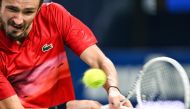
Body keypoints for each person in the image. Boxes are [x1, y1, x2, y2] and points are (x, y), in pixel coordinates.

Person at [0, 0, 133, 109]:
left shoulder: (53, 15)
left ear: (39, 8)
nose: (18, 20)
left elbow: (99, 61)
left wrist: (113, 90)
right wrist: (67, 107)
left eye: (28, 12)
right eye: (12, 9)